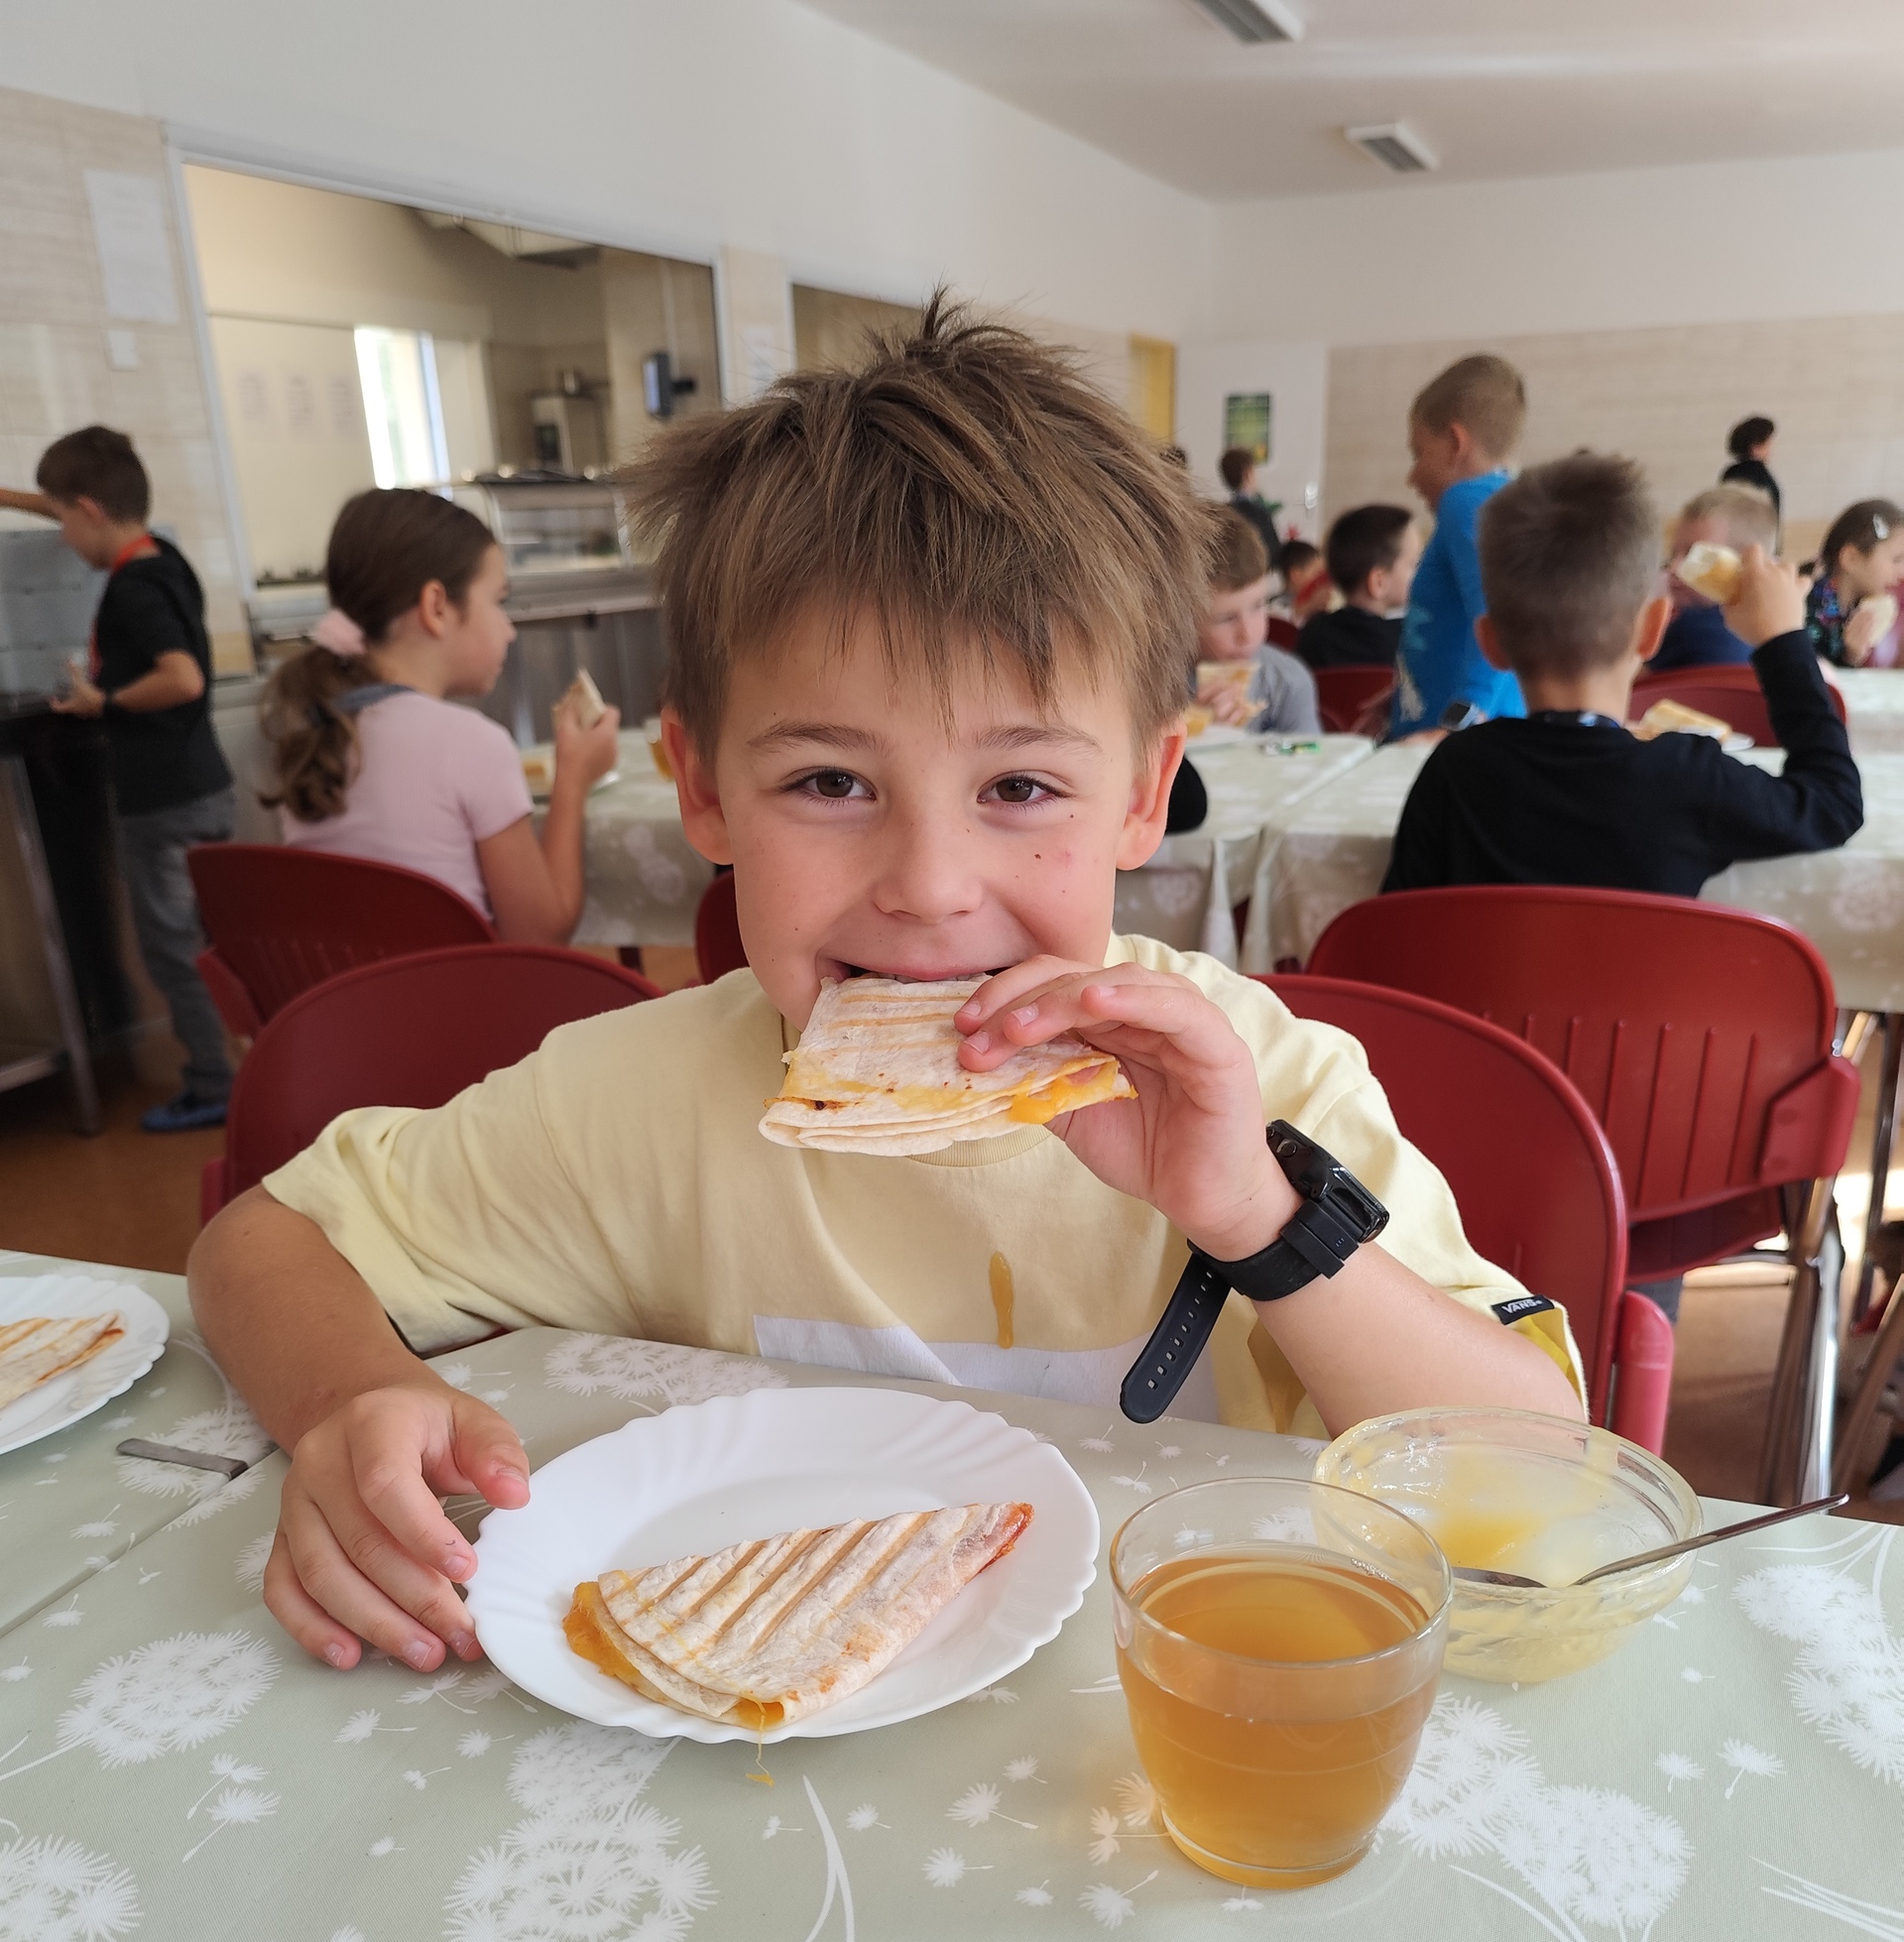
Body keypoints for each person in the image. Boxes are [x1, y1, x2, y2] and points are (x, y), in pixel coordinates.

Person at [187, 300, 1580, 1676]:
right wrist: (350, 1396)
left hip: (1170, 1734)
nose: (929, 885)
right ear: (702, 788)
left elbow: (1536, 1483)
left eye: (1020, 786)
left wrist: (1256, 1218)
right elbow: (262, 1243)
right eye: (830, 781)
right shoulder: (638, 1100)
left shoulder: (1269, 1083)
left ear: (1142, 795)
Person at [1385, 451, 1861, 902]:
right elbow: (1835, 802)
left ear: (1491, 643)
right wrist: (1782, 641)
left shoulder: (1454, 774)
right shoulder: (1689, 779)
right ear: (1653, 629)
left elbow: (1396, 927)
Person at [0, 427, 235, 1131]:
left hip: (162, 800)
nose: (64, 539)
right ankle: (239, 1066)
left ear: (91, 511)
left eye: (65, 521)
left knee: (173, 951)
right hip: (203, 784)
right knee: (208, 943)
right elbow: (77, 504)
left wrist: (104, 702)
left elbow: (181, 678)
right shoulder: (164, 557)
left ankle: (214, 1085)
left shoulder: (133, 589)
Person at [261, 489, 621, 938]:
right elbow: (540, 937)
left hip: (353, 986)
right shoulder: (472, 744)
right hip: (461, 987)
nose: (508, 630)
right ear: (436, 607)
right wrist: (574, 777)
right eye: (498, 601)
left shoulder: (317, 735)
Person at [1393, 353, 1528, 736]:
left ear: (1456, 442)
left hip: (1461, 742)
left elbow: (1501, 613)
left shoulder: (1465, 500)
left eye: (1419, 453)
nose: (1412, 476)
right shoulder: (1505, 502)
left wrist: (1464, 717)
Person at [1196, 508, 1322, 734]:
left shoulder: (1289, 681)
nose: (1247, 634)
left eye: (1258, 606)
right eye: (1226, 618)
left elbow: (1309, 754)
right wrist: (1198, 731)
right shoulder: (1154, 690)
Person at [1646, 483, 1778, 673]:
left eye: (1697, 556)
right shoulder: (1769, 637)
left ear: (1745, 566)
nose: (1673, 568)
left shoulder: (1690, 629)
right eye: (1673, 555)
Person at [1296, 506, 1419, 671]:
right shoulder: (1408, 640)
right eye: (1413, 564)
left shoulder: (1313, 633)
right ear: (1379, 582)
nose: (1420, 573)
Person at [1803, 498, 1904, 668]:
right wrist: (1848, 659)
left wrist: (1850, 657)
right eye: (1896, 560)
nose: (1901, 572)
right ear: (1851, 558)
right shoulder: (1810, 608)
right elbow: (1808, 677)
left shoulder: (1857, 606)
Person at [1217, 446, 1280, 569]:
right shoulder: (1259, 513)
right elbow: (1273, 553)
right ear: (1248, 474)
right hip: (1256, 573)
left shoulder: (1222, 513)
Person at [1722, 417, 1780, 521]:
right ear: (1755, 446)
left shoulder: (1731, 472)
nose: (1771, 448)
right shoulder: (1756, 473)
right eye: (1767, 443)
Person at [1271, 539, 1332, 625]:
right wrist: (1310, 606)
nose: (1321, 581)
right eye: (1317, 573)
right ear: (1296, 576)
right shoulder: (1275, 607)